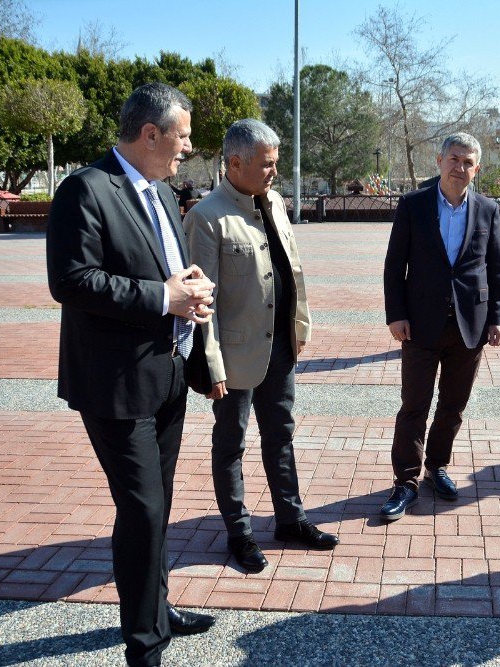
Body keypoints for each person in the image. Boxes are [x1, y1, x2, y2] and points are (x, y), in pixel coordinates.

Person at [46, 82, 217, 666]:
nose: (187, 148)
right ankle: (144, 646)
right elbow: (70, 281)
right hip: (115, 384)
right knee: (142, 509)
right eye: (183, 136)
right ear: (151, 134)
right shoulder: (87, 189)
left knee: (158, 504)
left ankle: (156, 608)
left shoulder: (164, 194)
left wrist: (187, 288)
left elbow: (162, 272)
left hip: (167, 374)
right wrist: (161, 296)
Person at [183, 119, 339, 574]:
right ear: (235, 162)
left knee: (281, 435)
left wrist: (301, 327)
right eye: (266, 164)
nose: (274, 172)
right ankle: (240, 533)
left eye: (275, 163)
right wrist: (210, 363)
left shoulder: (274, 202)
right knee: (230, 443)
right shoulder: (206, 218)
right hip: (233, 357)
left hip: (280, 349)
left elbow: (293, 272)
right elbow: (201, 301)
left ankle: (290, 520)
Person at [381, 132, 500, 521]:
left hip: (470, 326)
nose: (460, 167)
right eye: (454, 159)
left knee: (453, 406)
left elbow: (497, 269)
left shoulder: (487, 210)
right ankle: (405, 482)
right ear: (439, 161)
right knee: (414, 406)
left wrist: (498, 318)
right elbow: (394, 264)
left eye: (468, 162)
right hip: (419, 324)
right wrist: (395, 314)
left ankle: (437, 467)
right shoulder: (413, 205)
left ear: (477, 169)